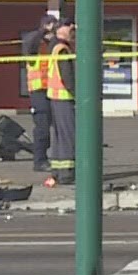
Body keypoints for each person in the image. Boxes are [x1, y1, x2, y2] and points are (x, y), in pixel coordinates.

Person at [19, 13, 58, 172]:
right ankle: (40, 160)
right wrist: (43, 31)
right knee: (42, 126)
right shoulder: (34, 42)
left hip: (55, 89)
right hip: (38, 90)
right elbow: (29, 42)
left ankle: (60, 158)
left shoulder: (54, 44)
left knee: (60, 126)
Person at [46, 18, 78, 186]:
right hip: (65, 98)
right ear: (62, 29)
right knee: (68, 136)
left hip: (55, 97)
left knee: (59, 137)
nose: (73, 31)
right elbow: (68, 76)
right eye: (71, 27)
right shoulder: (62, 49)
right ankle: (66, 173)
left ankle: (58, 171)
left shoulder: (54, 46)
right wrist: (78, 96)